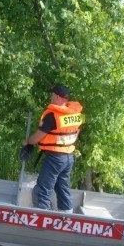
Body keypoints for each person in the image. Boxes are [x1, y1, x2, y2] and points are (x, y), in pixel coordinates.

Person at [24, 84, 84, 212]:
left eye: (52, 95)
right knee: (62, 188)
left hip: (55, 158)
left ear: (57, 97)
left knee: (42, 191)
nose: (50, 97)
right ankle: (67, 217)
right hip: (69, 158)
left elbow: (38, 137)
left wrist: (28, 142)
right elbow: (76, 133)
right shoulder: (76, 114)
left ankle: (43, 220)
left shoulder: (53, 116)